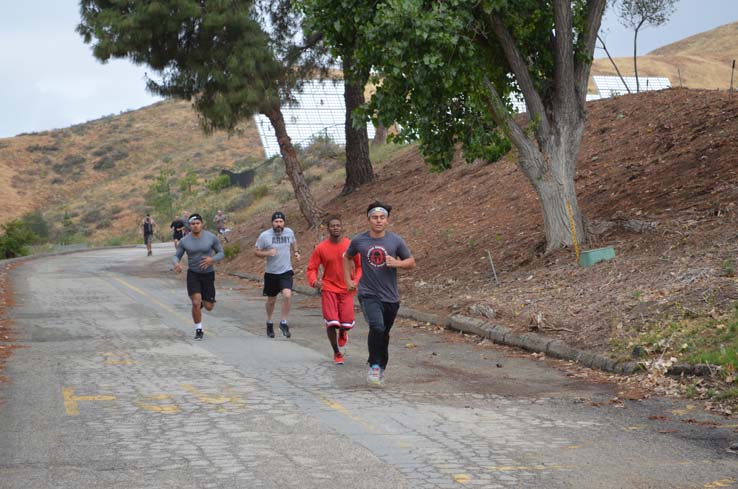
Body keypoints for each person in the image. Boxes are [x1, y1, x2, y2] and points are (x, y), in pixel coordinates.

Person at [344, 201, 415, 386]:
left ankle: (381, 365)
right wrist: (348, 279)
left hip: (390, 296)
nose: (378, 221)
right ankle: (374, 365)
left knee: (384, 332)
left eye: (382, 217)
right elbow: (347, 257)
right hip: (368, 294)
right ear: (368, 220)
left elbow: (411, 261)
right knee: (377, 327)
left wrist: (397, 263)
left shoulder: (395, 241)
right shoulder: (359, 240)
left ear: (387, 220)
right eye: (374, 217)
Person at [307, 216, 362, 365]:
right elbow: (311, 268)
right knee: (331, 323)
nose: (335, 228)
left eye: (338, 225)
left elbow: (359, 266)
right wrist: (314, 282)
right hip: (328, 288)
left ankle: (343, 331)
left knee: (346, 323)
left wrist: (355, 281)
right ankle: (336, 352)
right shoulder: (321, 248)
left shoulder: (350, 245)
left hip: (346, 289)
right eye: (332, 226)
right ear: (328, 228)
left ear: (342, 227)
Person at [172, 214, 224, 340]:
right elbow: (176, 255)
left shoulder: (211, 237)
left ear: (202, 224)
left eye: (197, 223)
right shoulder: (185, 240)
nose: (195, 226)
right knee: (195, 302)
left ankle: (201, 304)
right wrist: (176, 264)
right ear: (189, 226)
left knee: (209, 307)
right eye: (193, 224)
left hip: (208, 274)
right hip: (193, 274)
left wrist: (212, 259)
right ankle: (198, 330)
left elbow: (221, 253)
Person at [254, 211, 300, 338]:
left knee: (287, 294)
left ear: (284, 223)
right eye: (276, 222)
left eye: (281, 222)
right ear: (272, 223)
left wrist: (296, 252)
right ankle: (269, 322)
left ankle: (283, 322)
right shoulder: (265, 236)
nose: (278, 224)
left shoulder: (289, 232)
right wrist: (267, 253)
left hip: (286, 271)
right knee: (271, 301)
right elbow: (256, 252)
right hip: (271, 273)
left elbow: (294, 242)